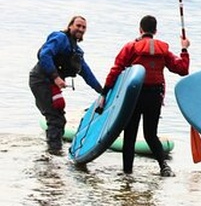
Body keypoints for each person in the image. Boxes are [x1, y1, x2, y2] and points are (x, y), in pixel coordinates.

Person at [102, 15, 189, 177]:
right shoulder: (163, 51)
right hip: (155, 96)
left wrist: (104, 93)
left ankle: (127, 173)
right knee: (150, 134)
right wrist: (184, 49)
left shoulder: (130, 47)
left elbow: (115, 71)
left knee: (130, 134)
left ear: (140, 29)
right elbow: (183, 69)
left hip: (134, 96)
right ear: (155, 31)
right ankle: (164, 166)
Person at [30, 15, 104, 155]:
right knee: (55, 118)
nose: (80, 29)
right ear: (70, 26)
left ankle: (50, 153)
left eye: (83, 27)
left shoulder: (77, 51)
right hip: (40, 80)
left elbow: (87, 74)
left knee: (59, 118)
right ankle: (53, 154)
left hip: (51, 84)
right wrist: (56, 77)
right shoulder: (60, 38)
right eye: (78, 25)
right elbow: (45, 55)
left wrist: (102, 90)